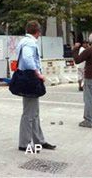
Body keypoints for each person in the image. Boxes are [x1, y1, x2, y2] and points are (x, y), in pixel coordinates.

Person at [16, 20, 56, 152]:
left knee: (34, 112)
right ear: (38, 32)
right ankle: (25, 144)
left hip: (27, 78)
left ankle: (39, 140)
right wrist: (38, 73)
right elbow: (28, 59)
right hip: (30, 79)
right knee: (29, 113)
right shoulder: (30, 43)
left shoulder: (23, 41)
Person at [72, 32, 92, 128]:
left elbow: (78, 60)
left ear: (90, 41)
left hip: (91, 77)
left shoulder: (89, 50)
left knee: (89, 100)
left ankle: (88, 121)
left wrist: (75, 48)